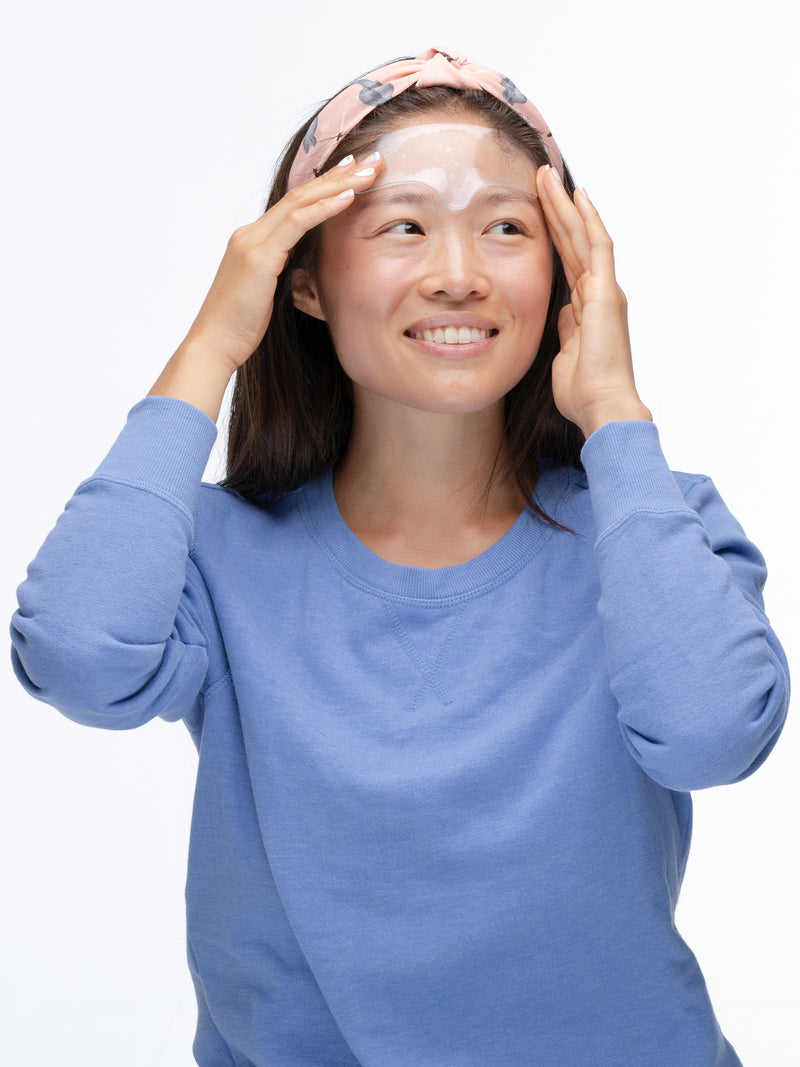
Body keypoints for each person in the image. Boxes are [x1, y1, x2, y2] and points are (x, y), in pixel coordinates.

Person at [10, 47, 789, 1066]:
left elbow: (709, 736)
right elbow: (76, 658)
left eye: (506, 228)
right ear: (302, 283)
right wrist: (207, 348)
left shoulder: (656, 525)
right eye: (404, 227)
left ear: (566, 273)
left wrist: (614, 409)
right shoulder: (211, 551)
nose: (458, 274)